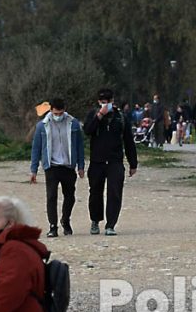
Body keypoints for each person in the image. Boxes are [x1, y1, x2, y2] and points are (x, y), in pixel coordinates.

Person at [83, 88, 138, 236]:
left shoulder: (121, 117)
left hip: (115, 161)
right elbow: (87, 130)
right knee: (95, 192)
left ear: (112, 101)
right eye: (102, 102)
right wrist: (99, 115)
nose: (104, 104)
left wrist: (133, 163)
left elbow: (128, 141)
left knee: (114, 192)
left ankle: (110, 224)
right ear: (98, 102)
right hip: (97, 161)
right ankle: (95, 220)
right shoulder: (93, 114)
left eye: (107, 102)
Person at [30, 98, 86, 238]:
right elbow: (36, 148)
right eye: (56, 113)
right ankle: (53, 226)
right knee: (51, 196)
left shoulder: (73, 123)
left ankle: (65, 220)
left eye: (61, 113)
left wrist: (81, 165)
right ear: (51, 110)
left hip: (68, 165)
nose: (59, 116)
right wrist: (34, 169)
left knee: (70, 196)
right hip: (52, 166)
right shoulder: (42, 126)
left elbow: (79, 145)